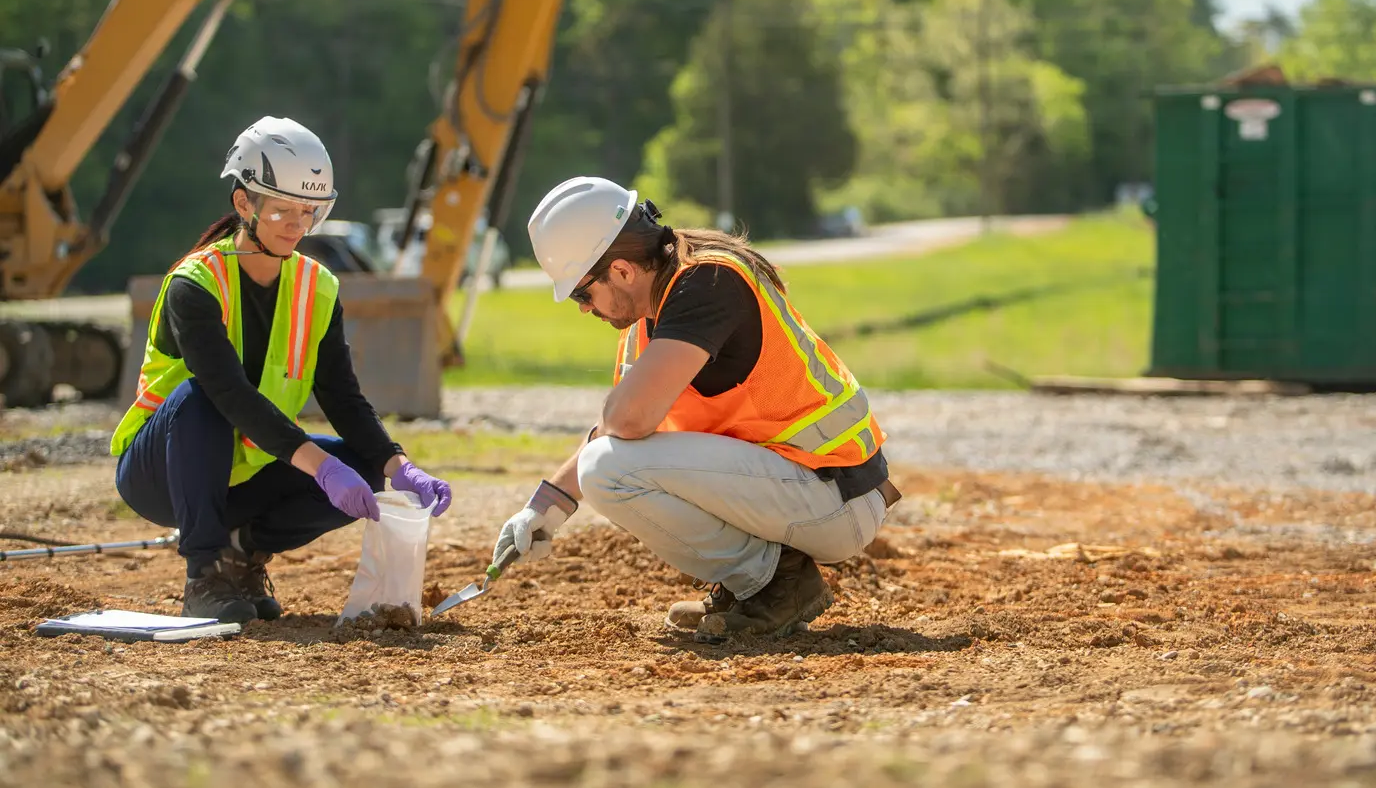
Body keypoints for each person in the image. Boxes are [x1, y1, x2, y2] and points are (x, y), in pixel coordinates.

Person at [491, 176, 900, 642]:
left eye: (583, 294)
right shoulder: (656, 312)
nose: (585, 309)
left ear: (622, 271)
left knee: (608, 470)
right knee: (606, 464)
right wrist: (546, 506)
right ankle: (761, 584)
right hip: (801, 486)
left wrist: (577, 480)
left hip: (835, 495)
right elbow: (619, 425)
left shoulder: (707, 284)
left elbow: (625, 422)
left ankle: (774, 582)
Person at [110, 116, 454, 624]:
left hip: (246, 470)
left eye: (310, 211)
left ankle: (243, 553)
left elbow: (342, 394)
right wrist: (319, 465)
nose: (298, 224)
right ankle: (204, 572)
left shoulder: (319, 287)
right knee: (201, 396)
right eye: (284, 210)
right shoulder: (196, 284)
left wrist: (395, 465)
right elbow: (228, 393)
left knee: (364, 470)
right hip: (159, 470)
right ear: (244, 203)